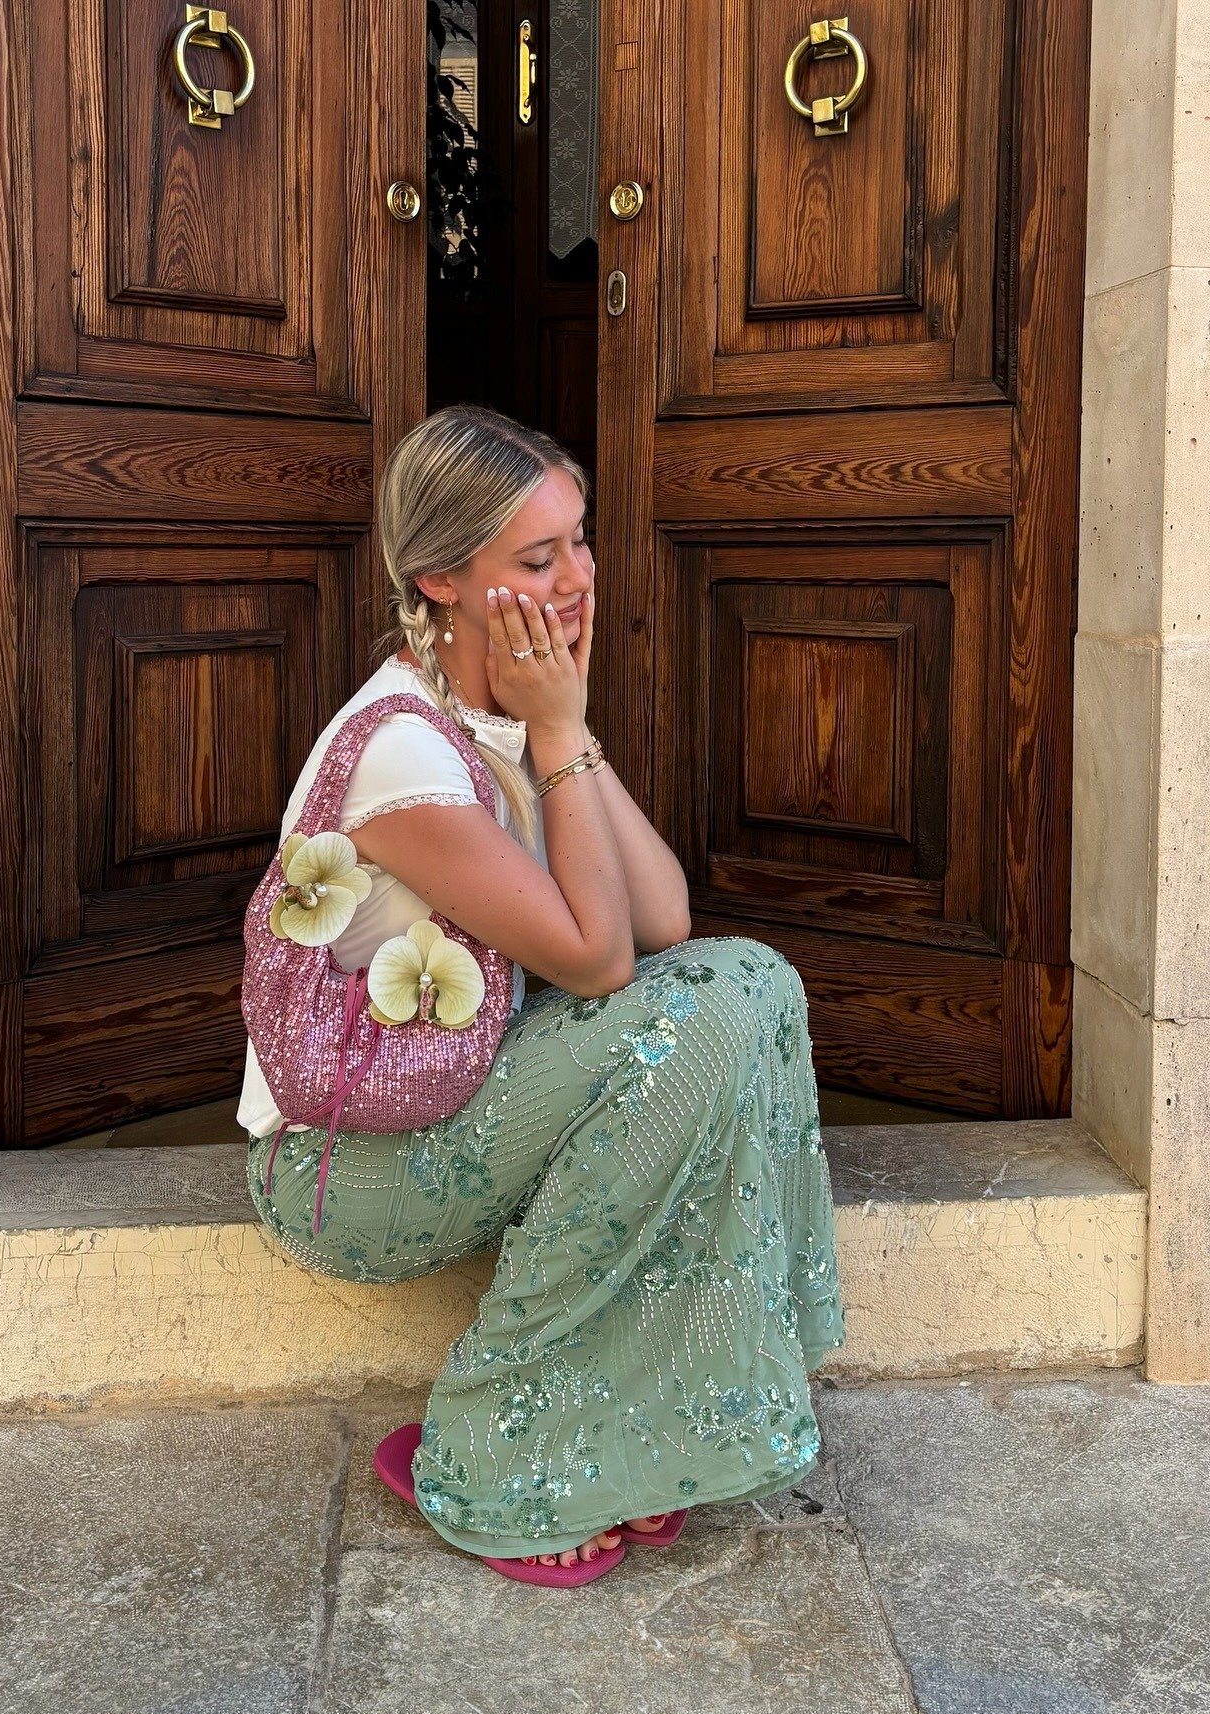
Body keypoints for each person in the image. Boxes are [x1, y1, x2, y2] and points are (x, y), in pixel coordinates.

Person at [240, 404, 845, 1582]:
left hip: (457, 1107)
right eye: (537, 558)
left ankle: (642, 1417)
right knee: (698, 1016)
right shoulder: (403, 754)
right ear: (441, 578)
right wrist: (559, 726)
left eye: (580, 541)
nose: (577, 578)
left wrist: (558, 729)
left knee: (756, 985)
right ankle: (489, 1449)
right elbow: (600, 962)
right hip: (341, 1171)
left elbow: (665, 915)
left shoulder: (496, 715)